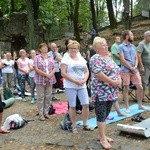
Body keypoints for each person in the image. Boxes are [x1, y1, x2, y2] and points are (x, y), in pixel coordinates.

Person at [90, 37, 121, 149]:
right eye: (102, 45)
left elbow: (117, 70)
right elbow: (98, 73)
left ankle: (102, 135)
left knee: (106, 113)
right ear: (97, 48)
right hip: (101, 91)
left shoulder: (109, 57)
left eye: (105, 44)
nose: (105, 46)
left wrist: (119, 80)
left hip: (111, 91)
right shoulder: (95, 58)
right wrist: (112, 81)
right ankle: (102, 139)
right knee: (101, 114)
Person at [61, 40, 92, 133]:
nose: (73, 50)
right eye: (71, 48)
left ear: (78, 49)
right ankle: (73, 125)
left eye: (75, 48)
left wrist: (84, 80)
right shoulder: (66, 58)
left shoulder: (81, 58)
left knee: (86, 104)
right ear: (68, 49)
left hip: (82, 85)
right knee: (73, 106)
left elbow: (86, 71)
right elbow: (63, 73)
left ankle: (85, 123)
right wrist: (74, 81)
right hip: (70, 85)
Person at [119, 30, 145, 113]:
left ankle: (140, 105)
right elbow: (122, 59)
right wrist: (130, 67)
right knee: (126, 88)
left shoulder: (133, 46)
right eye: (131, 35)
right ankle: (127, 107)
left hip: (135, 69)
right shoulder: (121, 47)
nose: (133, 36)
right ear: (127, 36)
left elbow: (136, 58)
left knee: (140, 87)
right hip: (125, 70)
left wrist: (135, 66)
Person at [34, 43, 56, 121]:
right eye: (43, 47)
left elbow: (54, 68)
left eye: (46, 47)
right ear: (40, 49)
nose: (45, 48)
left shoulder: (50, 57)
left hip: (50, 79)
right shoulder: (37, 57)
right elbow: (36, 69)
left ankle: (46, 112)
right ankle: (40, 114)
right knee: (40, 97)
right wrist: (46, 75)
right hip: (40, 79)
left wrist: (50, 75)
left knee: (48, 96)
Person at [136, 31, 150, 102]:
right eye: (149, 36)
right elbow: (138, 55)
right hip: (145, 66)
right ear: (146, 36)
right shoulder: (141, 44)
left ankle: (147, 95)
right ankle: (142, 97)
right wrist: (141, 66)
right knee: (144, 82)